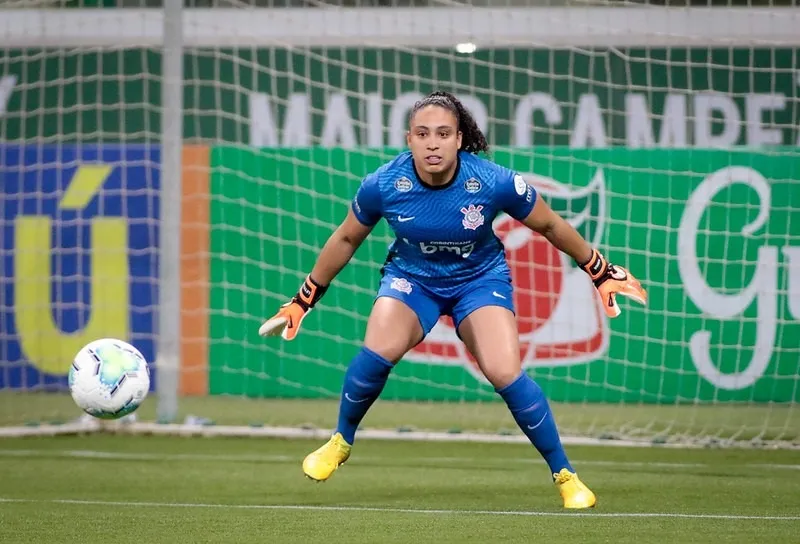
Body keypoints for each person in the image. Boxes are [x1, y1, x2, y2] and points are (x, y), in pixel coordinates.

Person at [259, 90, 647, 509]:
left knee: (504, 372)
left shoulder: (495, 181)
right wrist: (304, 299)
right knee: (377, 350)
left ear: (459, 139)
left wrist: (599, 270)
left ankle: (565, 475)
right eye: (423, 133)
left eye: (443, 133)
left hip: (479, 281)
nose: (432, 143)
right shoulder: (384, 184)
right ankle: (340, 441)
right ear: (409, 139)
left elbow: (551, 225)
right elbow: (347, 237)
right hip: (413, 281)